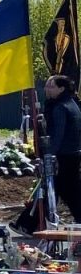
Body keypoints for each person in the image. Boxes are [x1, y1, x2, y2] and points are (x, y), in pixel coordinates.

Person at [44, 75, 81, 221]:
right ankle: (28, 223)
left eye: (52, 86)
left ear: (61, 89)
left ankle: (28, 223)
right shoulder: (72, 103)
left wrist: (50, 154)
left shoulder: (60, 107)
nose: (47, 89)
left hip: (64, 155)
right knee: (64, 190)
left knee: (67, 190)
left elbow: (58, 134)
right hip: (73, 152)